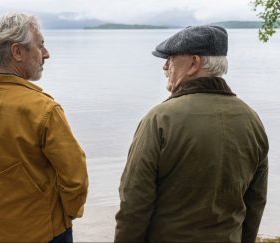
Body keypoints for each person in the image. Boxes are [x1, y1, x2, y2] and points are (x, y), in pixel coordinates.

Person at [114, 26, 268, 242]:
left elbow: (134, 201)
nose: (165, 66)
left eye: (170, 59)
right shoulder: (252, 120)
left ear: (194, 63)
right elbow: (256, 200)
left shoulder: (160, 119)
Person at [0, 12, 88, 242]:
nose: (46, 54)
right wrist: (64, 216)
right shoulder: (43, 109)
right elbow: (75, 177)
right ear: (18, 52)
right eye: (40, 45)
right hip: (45, 233)